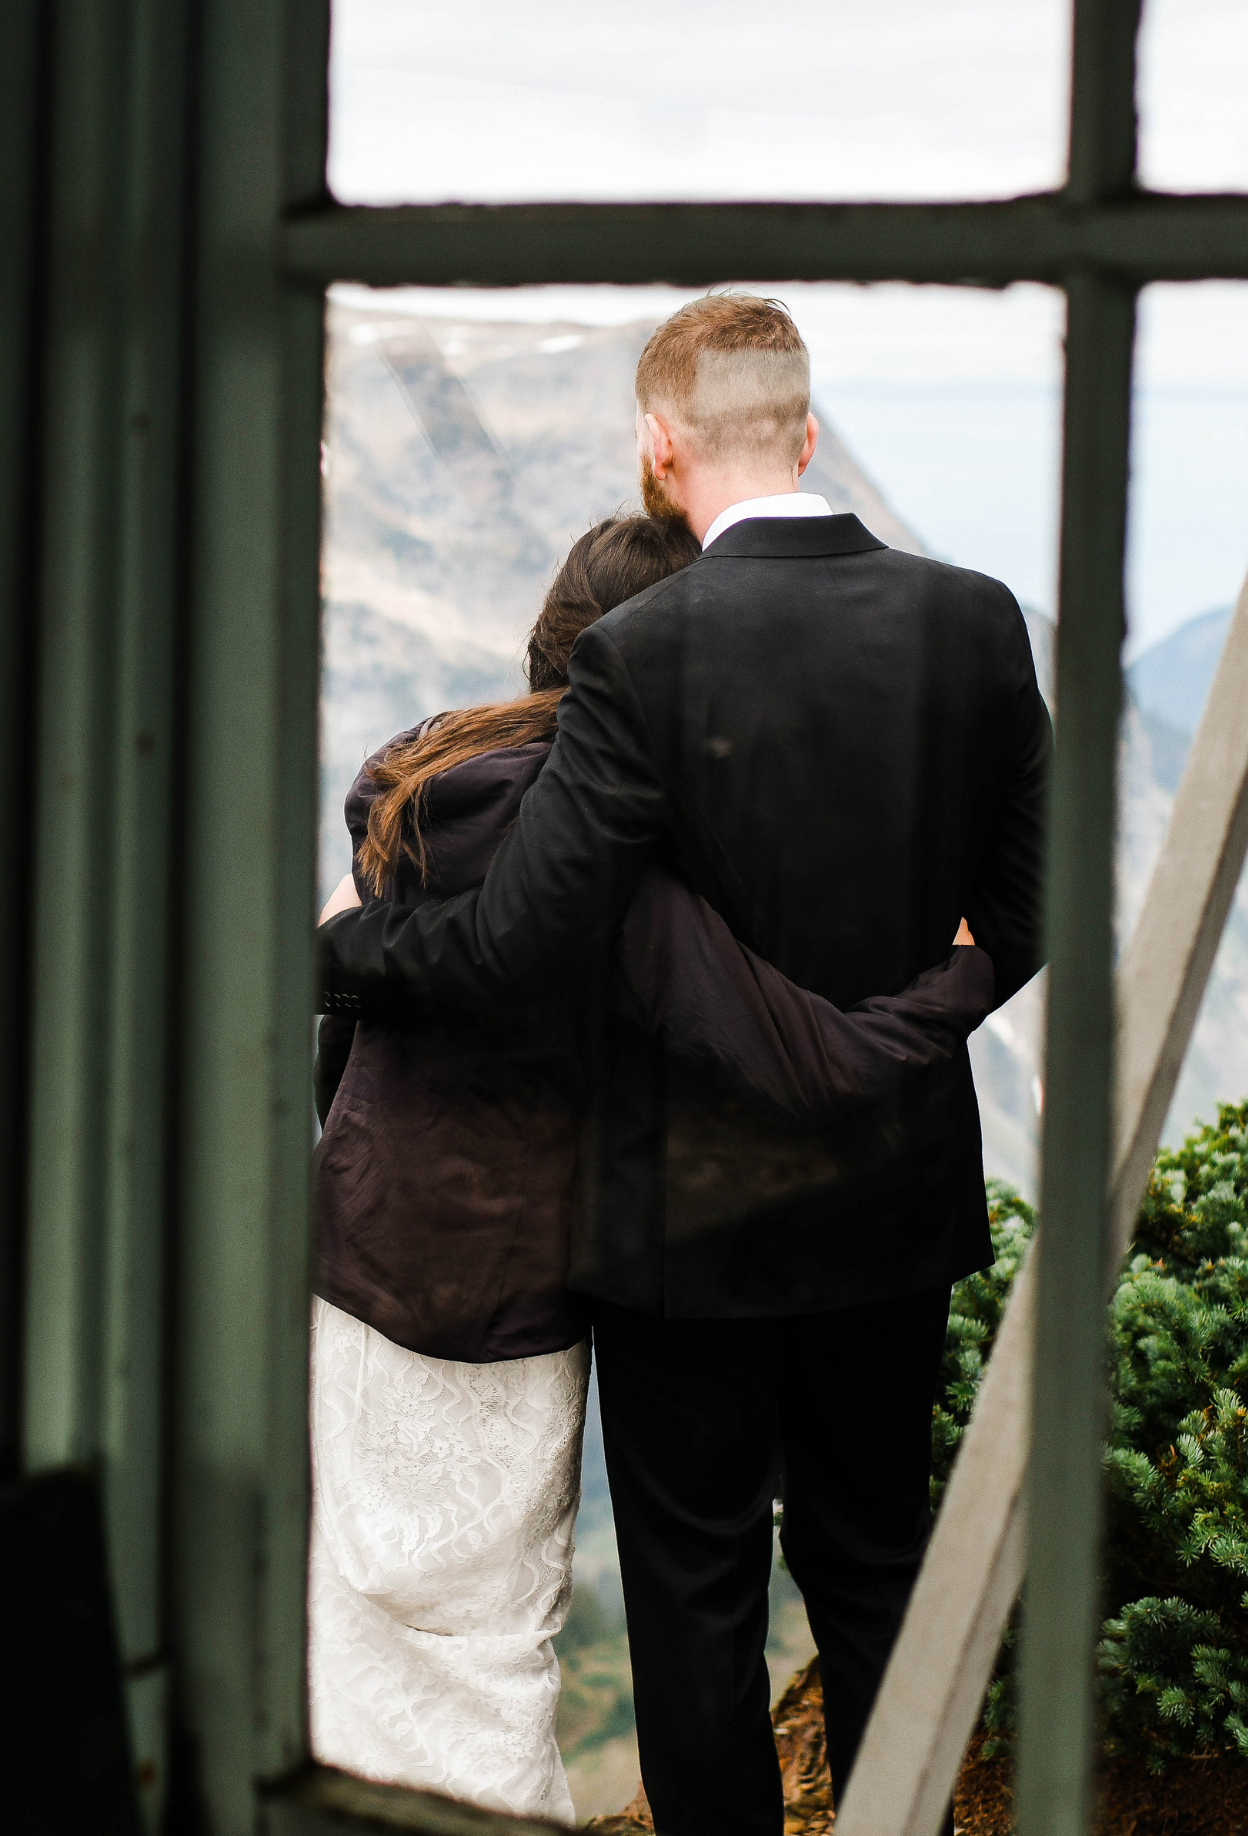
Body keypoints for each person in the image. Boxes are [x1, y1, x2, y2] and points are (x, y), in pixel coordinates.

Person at [318, 295, 1051, 1836]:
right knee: (873, 1567)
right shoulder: (977, 617)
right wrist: (895, 1039)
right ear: (804, 424)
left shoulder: (641, 654)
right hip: (890, 1208)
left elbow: (522, 943)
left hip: (683, 1231)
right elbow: (1030, 917)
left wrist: (327, 953)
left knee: (697, 1602)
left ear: (660, 446)